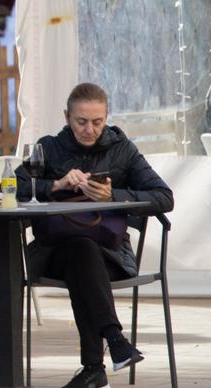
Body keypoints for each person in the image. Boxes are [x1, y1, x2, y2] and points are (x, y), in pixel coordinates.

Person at [16, 83, 173, 388]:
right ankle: (115, 340)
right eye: (81, 122)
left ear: (107, 117)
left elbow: (164, 197)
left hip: (111, 256)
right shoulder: (49, 148)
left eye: (97, 122)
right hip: (54, 253)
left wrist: (113, 194)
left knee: (84, 254)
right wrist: (57, 185)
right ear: (67, 116)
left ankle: (94, 368)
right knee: (80, 251)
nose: (89, 130)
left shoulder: (122, 149)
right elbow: (11, 187)